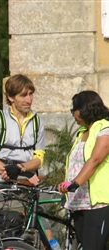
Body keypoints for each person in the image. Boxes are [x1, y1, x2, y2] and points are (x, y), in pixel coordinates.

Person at [0, 74, 53, 239]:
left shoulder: (36, 122)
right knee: (1, 230)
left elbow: (39, 158)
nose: (29, 99)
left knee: (41, 226)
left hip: (28, 181)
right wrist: (8, 170)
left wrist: (20, 169)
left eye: (31, 94)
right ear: (10, 97)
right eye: (23, 95)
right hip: (0, 183)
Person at [58, 90, 109, 249]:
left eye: (74, 109)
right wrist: (66, 185)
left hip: (97, 202)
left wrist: (74, 183)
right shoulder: (82, 133)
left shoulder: (105, 128)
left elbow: (95, 160)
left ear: (85, 108)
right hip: (79, 202)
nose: (73, 113)